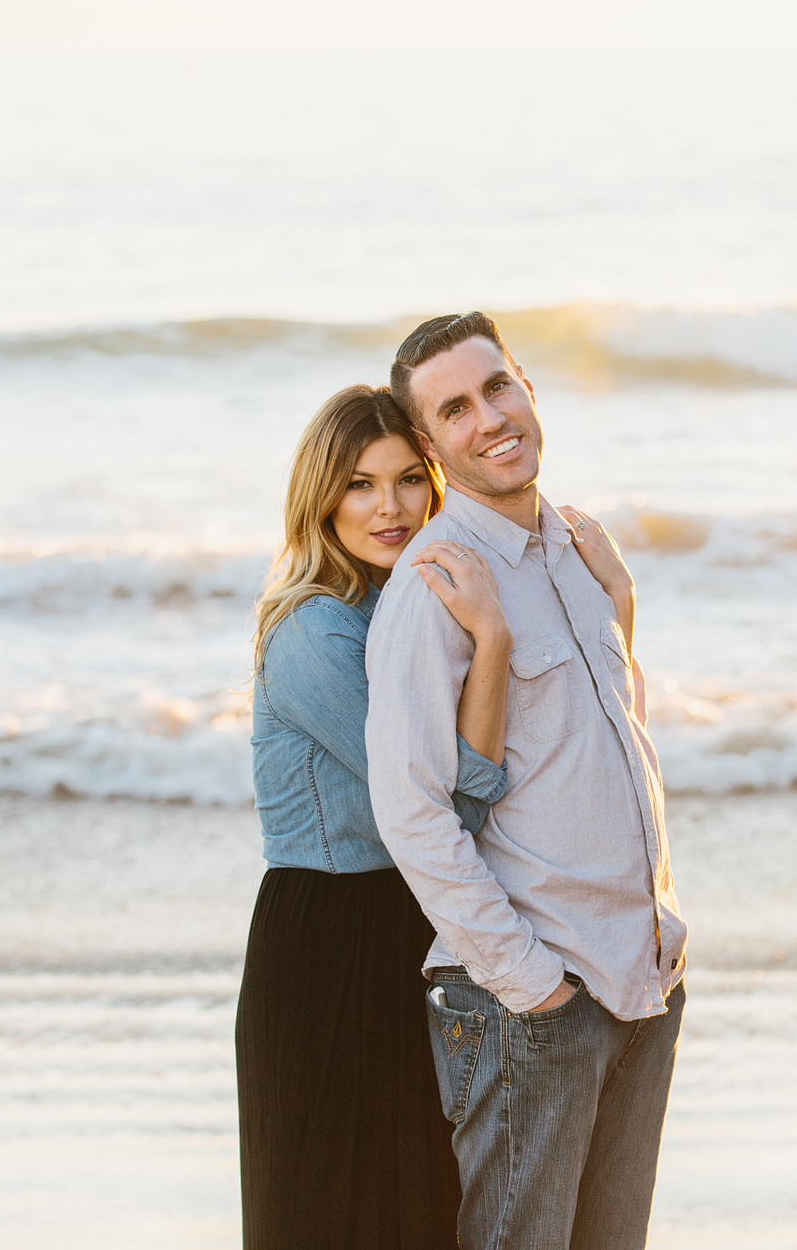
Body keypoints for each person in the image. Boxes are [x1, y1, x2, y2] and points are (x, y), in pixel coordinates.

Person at [366, 312, 688, 1250]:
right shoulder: (435, 587)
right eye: (455, 409)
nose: (489, 417)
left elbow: (607, 736)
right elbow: (411, 810)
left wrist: (621, 608)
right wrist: (529, 983)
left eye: (497, 386)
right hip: (537, 1005)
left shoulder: (581, 546)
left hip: (640, 980)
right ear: (430, 445)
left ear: (529, 389)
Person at [235, 385, 515, 1250]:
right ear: (322, 498)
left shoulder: (398, 614)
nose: (389, 508)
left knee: (415, 1205)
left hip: (404, 926)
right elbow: (443, 800)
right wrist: (495, 646)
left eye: (406, 480)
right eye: (360, 484)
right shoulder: (316, 632)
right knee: (330, 1211)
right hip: (329, 939)